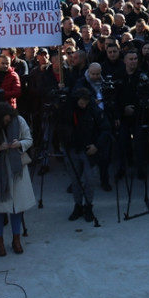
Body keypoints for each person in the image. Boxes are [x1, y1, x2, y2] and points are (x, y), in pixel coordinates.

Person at [0, 102, 35, 256]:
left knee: (18, 207)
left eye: (8, 120)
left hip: (17, 170)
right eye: (4, 121)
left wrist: (20, 144)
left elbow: (29, 139)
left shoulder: (19, 120)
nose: (7, 122)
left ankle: (16, 239)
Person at [60, 88, 110, 223]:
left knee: (89, 180)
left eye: (86, 102)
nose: (84, 105)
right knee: (75, 181)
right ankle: (78, 205)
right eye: (81, 102)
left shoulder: (95, 111)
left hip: (89, 151)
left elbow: (106, 130)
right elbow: (61, 127)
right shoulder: (68, 110)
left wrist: (97, 146)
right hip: (73, 150)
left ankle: (88, 205)